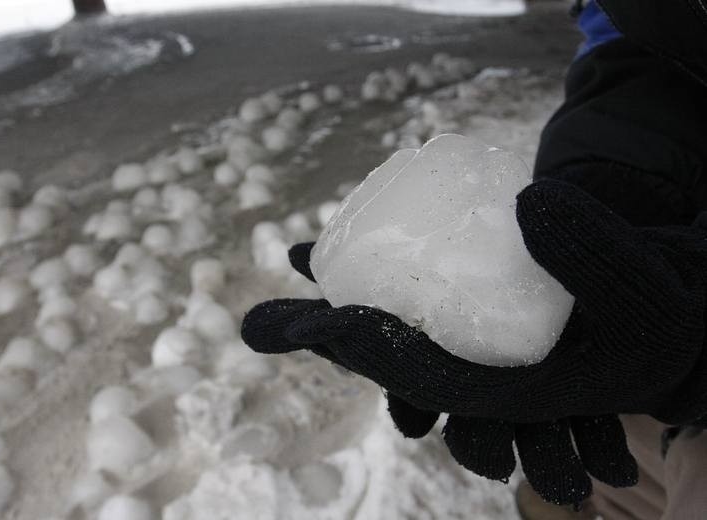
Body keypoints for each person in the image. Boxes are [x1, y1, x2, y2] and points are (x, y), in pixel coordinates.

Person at [241, 1, 707, 518]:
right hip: (649, 87)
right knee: (601, 430)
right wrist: (625, 166)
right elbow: (646, 29)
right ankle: (592, 499)